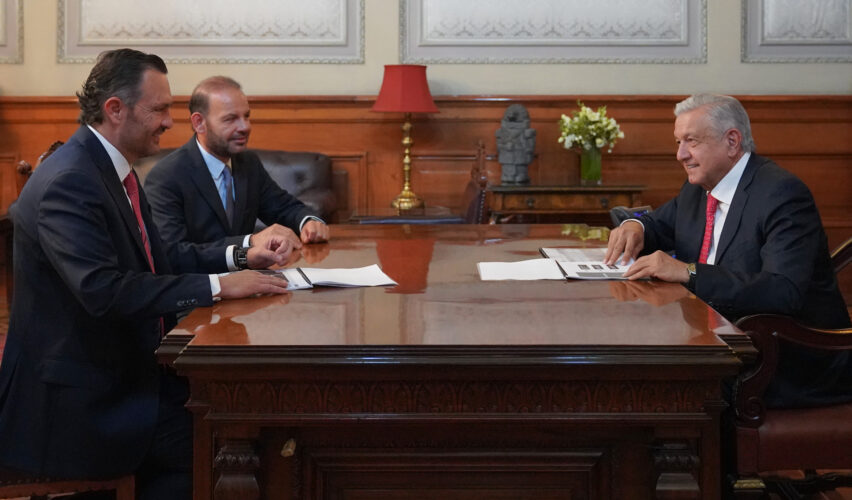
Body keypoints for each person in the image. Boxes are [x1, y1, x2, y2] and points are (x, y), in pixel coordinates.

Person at [0, 49, 291, 500]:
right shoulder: (71, 180)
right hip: (78, 403)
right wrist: (217, 287)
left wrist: (240, 258)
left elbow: (161, 257)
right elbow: (105, 291)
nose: (170, 122)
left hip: (126, 371)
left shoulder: (110, 168)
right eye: (159, 110)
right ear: (115, 109)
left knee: (247, 420)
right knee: (225, 446)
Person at [604, 93, 851, 407]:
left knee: (651, 383)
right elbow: (659, 224)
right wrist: (635, 226)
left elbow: (783, 290)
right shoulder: (698, 187)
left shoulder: (781, 194)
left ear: (732, 142)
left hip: (789, 360)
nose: (680, 154)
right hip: (720, 340)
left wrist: (689, 272)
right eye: (678, 142)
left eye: (691, 141)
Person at [144, 76, 329, 274]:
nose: (245, 127)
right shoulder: (166, 177)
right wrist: (249, 243)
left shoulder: (247, 163)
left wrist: (309, 222)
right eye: (230, 119)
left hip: (248, 282)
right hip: (199, 287)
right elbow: (173, 254)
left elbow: (283, 207)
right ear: (199, 123)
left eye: (246, 116)